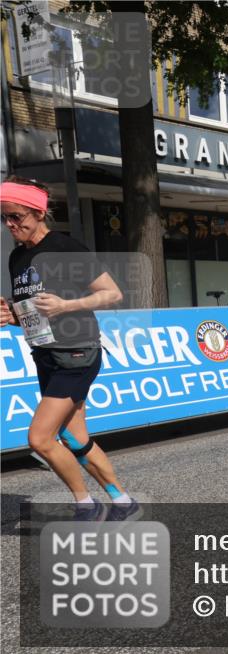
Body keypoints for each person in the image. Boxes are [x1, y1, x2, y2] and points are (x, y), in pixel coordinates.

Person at [0, 176, 138, 521]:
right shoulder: (18, 257)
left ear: (38, 212)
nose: (10, 224)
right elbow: (34, 313)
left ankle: (86, 506)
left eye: (16, 216)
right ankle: (123, 502)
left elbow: (112, 294)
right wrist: (11, 316)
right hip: (45, 353)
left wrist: (66, 305)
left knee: (40, 438)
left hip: (76, 352)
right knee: (75, 438)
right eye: (4, 217)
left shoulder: (64, 247)